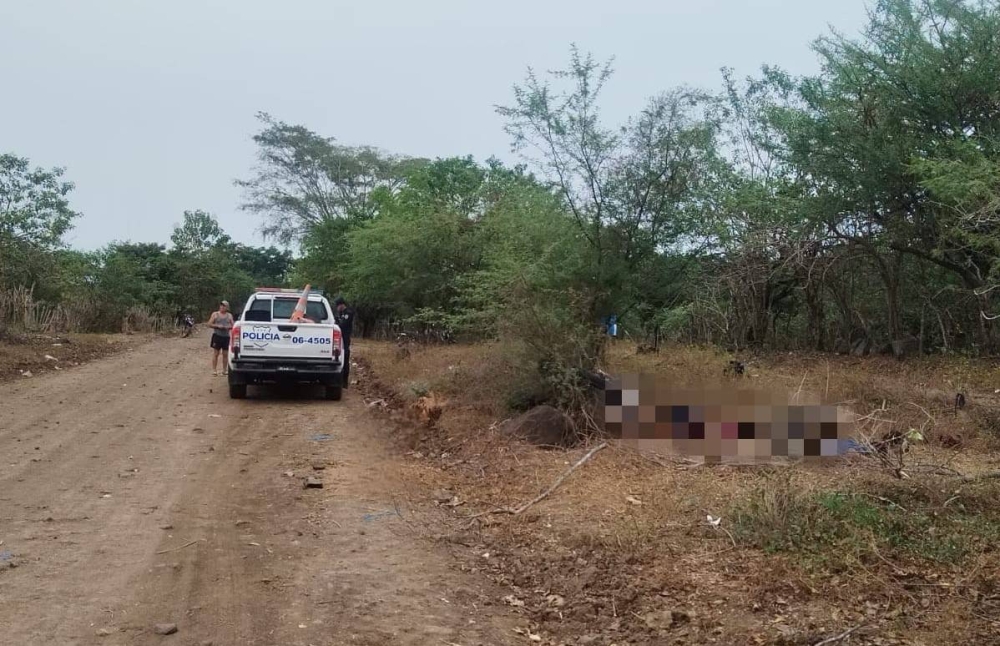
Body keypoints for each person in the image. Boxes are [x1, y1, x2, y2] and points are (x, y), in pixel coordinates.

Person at [208, 300, 234, 376]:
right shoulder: (215, 314)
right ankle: (214, 370)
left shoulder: (229, 315)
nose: (222, 307)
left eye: (224, 306)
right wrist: (217, 326)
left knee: (225, 354)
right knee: (216, 353)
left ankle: (224, 370)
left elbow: (233, 325)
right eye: (221, 305)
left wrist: (227, 327)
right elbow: (209, 324)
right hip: (217, 336)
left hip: (226, 337)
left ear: (227, 307)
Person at [333, 296, 354, 389]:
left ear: (341, 305)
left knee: (345, 359)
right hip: (339, 338)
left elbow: (343, 325)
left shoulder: (348, 313)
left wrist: (337, 324)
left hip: (345, 338)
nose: (337, 308)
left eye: (338, 306)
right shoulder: (341, 313)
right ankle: (340, 380)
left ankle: (345, 382)